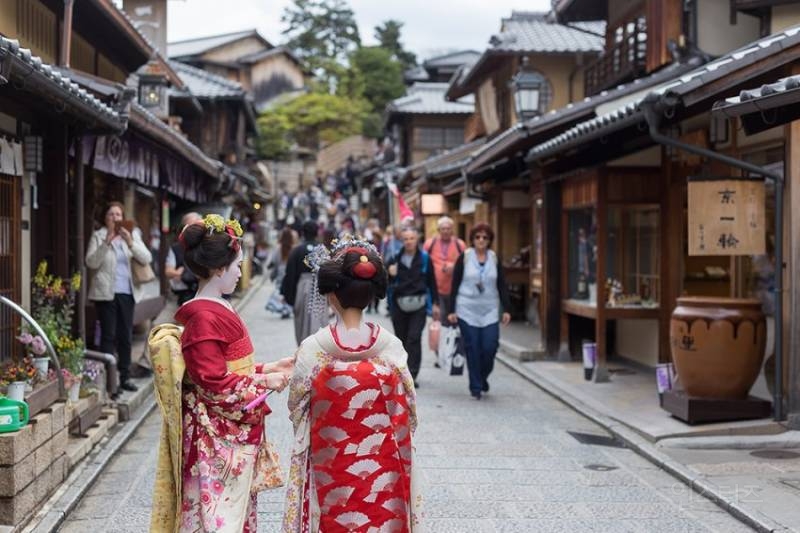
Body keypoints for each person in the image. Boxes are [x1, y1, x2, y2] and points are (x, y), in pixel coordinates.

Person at [148, 214, 293, 532]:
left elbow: (227, 368)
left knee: (231, 516)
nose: (241, 271)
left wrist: (268, 368)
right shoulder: (204, 317)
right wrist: (264, 382)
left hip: (221, 437)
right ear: (217, 269)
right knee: (215, 520)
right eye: (237, 265)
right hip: (212, 441)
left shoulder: (215, 308)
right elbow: (213, 383)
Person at [283, 238, 422, 532]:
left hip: (329, 461)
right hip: (383, 462)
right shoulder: (391, 348)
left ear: (331, 294)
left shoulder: (313, 349)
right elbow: (409, 409)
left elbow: (296, 406)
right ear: (372, 294)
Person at [85, 201, 152, 393]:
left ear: (123, 218)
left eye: (118, 215)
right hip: (105, 294)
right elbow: (91, 262)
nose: (115, 218)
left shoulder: (132, 235)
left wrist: (130, 242)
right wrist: (106, 242)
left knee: (125, 337)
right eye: (111, 215)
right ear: (105, 219)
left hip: (127, 293)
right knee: (108, 336)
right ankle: (110, 380)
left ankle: (125, 377)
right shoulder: (98, 236)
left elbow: (146, 258)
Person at [447, 223, 511, 400]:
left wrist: (506, 309)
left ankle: (483, 377)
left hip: (490, 309)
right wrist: (452, 310)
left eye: (485, 237)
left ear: (489, 240)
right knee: (473, 347)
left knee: (490, 347)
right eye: (478, 237)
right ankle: (476, 386)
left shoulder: (494, 258)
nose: (481, 240)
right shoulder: (465, 258)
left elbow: (502, 285)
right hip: (466, 309)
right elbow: (455, 284)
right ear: (473, 240)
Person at [386, 227, 439, 386]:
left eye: (412, 238)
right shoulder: (395, 258)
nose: (409, 241)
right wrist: (390, 273)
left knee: (414, 339)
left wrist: (436, 303)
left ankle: (412, 375)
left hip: (419, 304)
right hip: (399, 304)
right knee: (401, 341)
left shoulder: (424, 259)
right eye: (406, 239)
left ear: (417, 240)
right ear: (402, 241)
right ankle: (402, 373)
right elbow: (384, 283)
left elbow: (432, 281)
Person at [281, 220, 325, 345]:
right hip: (320, 287)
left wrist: (290, 297)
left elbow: (290, 275)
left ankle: (304, 347)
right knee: (319, 319)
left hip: (302, 287)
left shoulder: (296, 251)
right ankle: (320, 348)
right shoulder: (322, 250)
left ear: (302, 233)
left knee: (302, 321)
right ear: (317, 233)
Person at [423, 216, 466, 318]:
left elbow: (467, 264)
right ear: (439, 230)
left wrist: (455, 267)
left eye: (448, 228)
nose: (446, 231)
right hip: (435, 290)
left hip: (456, 290)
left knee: (454, 319)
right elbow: (423, 263)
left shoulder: (460, 245)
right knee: (439, 319)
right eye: (443, 229)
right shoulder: (430, 244)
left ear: (452, 230)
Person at [165, 212, 202, 305]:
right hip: (185, 293)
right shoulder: (176, 248)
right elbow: (168, 272)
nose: (192, 230)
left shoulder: (206, 244)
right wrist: (179, 273)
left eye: (196, 226)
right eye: (189, 226)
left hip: (204, 292)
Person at [266, 227, 296, 319]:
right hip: (290, 272)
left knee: (281, 291)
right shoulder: (294, 248)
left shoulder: (278, 248)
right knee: (289, 291)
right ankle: (288, 308)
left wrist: (272, 275)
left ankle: (283, 308)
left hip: (280, 272)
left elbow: (274, 262)